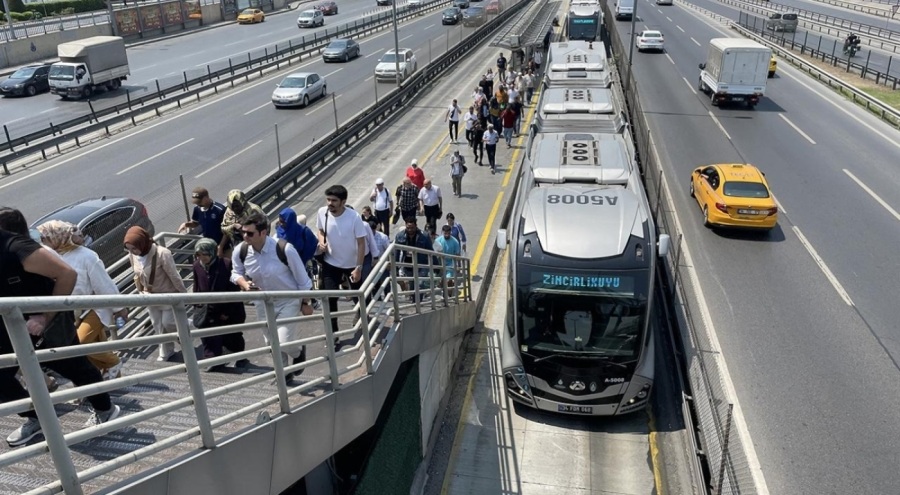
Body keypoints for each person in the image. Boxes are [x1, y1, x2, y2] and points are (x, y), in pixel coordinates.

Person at [0, 207, 119, 447]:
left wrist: (44, 316)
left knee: (73, 366)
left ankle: (106, 409)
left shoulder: (19, 248)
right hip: (13, 325)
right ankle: (39, 418)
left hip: (46, 322)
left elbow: (67, 273)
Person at [37, 221, 125, 381]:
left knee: (82, 343)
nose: (42, 241)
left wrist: (119, 308)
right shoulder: (51, 256)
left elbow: (103, 283)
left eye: (45, 237)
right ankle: (103, 379)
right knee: (93, 346)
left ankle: (113, 362)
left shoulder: (86, 256)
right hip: (71, 311)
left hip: (93, 307)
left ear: (57, 238)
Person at [231, 214, 313, 385]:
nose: (245, 237)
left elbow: (303, 280)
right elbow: (235, 273)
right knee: (270, 342)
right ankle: (284, 374)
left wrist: (306, 302)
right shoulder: (241, 250)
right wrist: (244, 284)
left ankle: (298, 352)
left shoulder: (284, 249)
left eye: (250, 233)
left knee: (283, 341)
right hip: (262, 301)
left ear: (263, 233)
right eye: (243, 233)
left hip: (287, 300)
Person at [315, 185, 369, 345]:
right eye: (328, 200)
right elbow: (320, 230)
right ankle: (333, 335)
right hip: (331, 263)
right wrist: (321, 240)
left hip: (352, 264)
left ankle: (362, 315)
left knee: (359, 295)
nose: (330, 203)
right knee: (330, 298)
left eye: (334, 201)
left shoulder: (354, 217)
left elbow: (361, 243)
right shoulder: (322, 212)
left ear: (343, 201)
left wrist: (358, 268)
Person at [125, 226, 187, 362]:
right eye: (128, 249)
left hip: (167, 296)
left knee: (169, 323)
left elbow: (174, 276)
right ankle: (166, 351)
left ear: (142, 243)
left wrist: (184, 295)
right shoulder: (133, 255)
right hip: (150, 297)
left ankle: (188, 330)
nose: (132, 252)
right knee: (158, 325)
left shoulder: (162, 253)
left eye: (134, 248)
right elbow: (137, 274)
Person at [192, 238, 248, 372]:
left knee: (232, 335)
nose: (202, 258)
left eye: (205, 254)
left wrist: (227, 312)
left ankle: (239, 357)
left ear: (212, 253)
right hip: (207, 308)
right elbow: (196, 287)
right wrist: (196, 305)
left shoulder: (226, 264)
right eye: (199, 255)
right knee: (208, 334)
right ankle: (213, 359)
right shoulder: (196, 266)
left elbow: (234, 289)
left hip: (229, 307)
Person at [393, 217, 435, 298]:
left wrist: (436, 267)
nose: (410, 230)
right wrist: (396, 268)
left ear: (416, 226)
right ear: (405, 226)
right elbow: (397, 253)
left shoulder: (424, 236)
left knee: (419, 284)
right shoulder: (400, 236)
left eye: (412, 228)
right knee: (412, 286)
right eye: (408, 228)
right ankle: (414, 303)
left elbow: (431, 252)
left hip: (422, 264)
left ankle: (419, 302)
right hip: (408, 265)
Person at [218, 189, 265, 258]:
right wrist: (233, 226)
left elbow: (264, 227)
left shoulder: (254, 210)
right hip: (238, 245)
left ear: (242, 202)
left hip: (256, 245)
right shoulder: (229, 212)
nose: (235, 208)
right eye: (233, 206)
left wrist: (244, 228)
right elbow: (224, 229)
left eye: (237, 206)